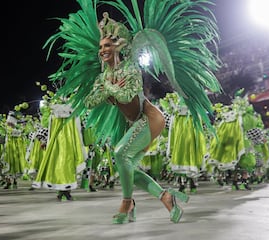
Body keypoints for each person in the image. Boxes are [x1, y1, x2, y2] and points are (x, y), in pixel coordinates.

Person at [44, 0, 221, 224]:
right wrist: (104, 86)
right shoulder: (105, 76)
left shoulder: (130, 69)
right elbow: (89, 102)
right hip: (137, 123)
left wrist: (105, 86)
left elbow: (126, 96)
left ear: (119, 47)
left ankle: (127, 204)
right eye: (100, 47)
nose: (102, 51)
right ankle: (166, 197)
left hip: (151, 118)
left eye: (107, 46)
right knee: (126, 167)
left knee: (120, 154)